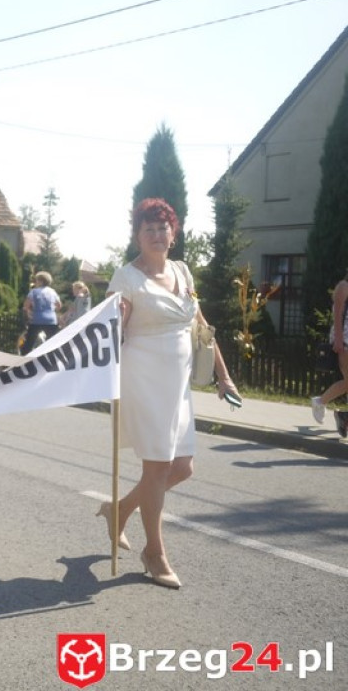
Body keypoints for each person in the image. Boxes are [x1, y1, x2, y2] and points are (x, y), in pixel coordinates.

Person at [101, 198, 239, 589]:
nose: (157, 235)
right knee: (158, 468)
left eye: (163, 228)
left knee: (183, 468)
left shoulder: (183, 271)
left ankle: (119, 510)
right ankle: (154, 552)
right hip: (142, 378)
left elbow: (200, 326)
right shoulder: (127, 277)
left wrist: (223, 376)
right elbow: (112, 329)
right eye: (149, 229)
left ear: (173, 234)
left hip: (177, 384)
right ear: (137, 236)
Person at [310, 272, 348, 436]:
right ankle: (322, 402)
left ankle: (323, 403)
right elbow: (338, 313)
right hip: (345, 339)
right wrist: (339, 339)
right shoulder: (344, 286)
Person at [22, 271, 62, 353]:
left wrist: (28, 314)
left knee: (29, 342)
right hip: (51, 320)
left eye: (36, 280)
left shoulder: (34, 291)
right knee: (52, 342)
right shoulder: (53, 292)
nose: (35, 283)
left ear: (40, 281)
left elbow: (26, 306)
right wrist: (52, 310)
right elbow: (59, 306)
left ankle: (24, 361)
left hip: (37, 319)